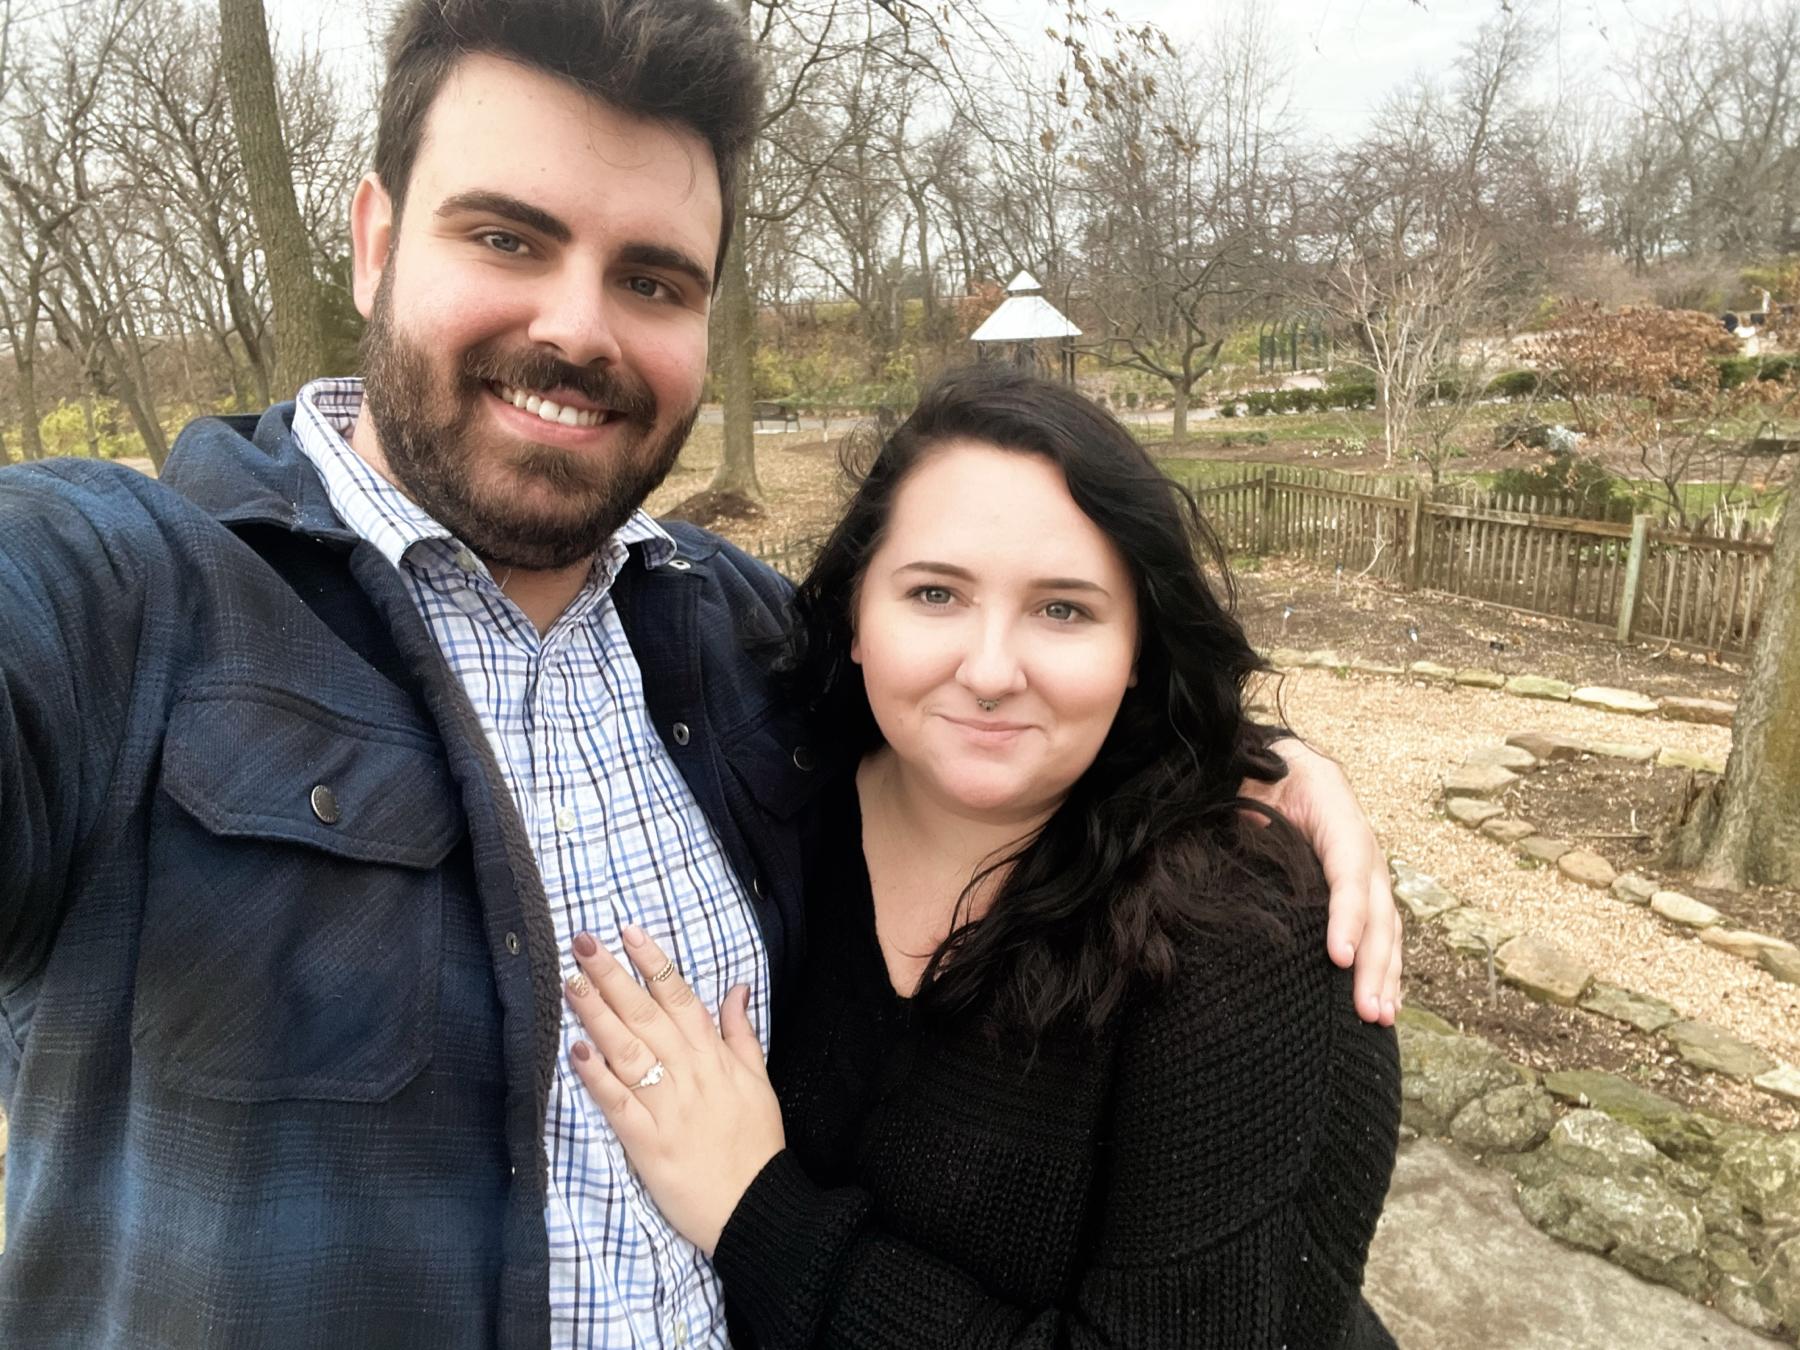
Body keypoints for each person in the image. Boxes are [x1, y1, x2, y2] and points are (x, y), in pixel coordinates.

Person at [0, 1, 1398, 1345]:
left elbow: (982, 688)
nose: (581, 328)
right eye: (507, 234)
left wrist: (1233, 767)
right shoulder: (134, 603)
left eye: (653, 278)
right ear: (374, 241)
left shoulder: (731, 634)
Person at [561, 367, 1402, 1348]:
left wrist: (758, 1213)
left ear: (1137, 646)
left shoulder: (1248, 939)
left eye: (1064, 610)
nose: (992, 671)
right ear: (856, 617)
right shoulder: (776, 803)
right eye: (934, 594)